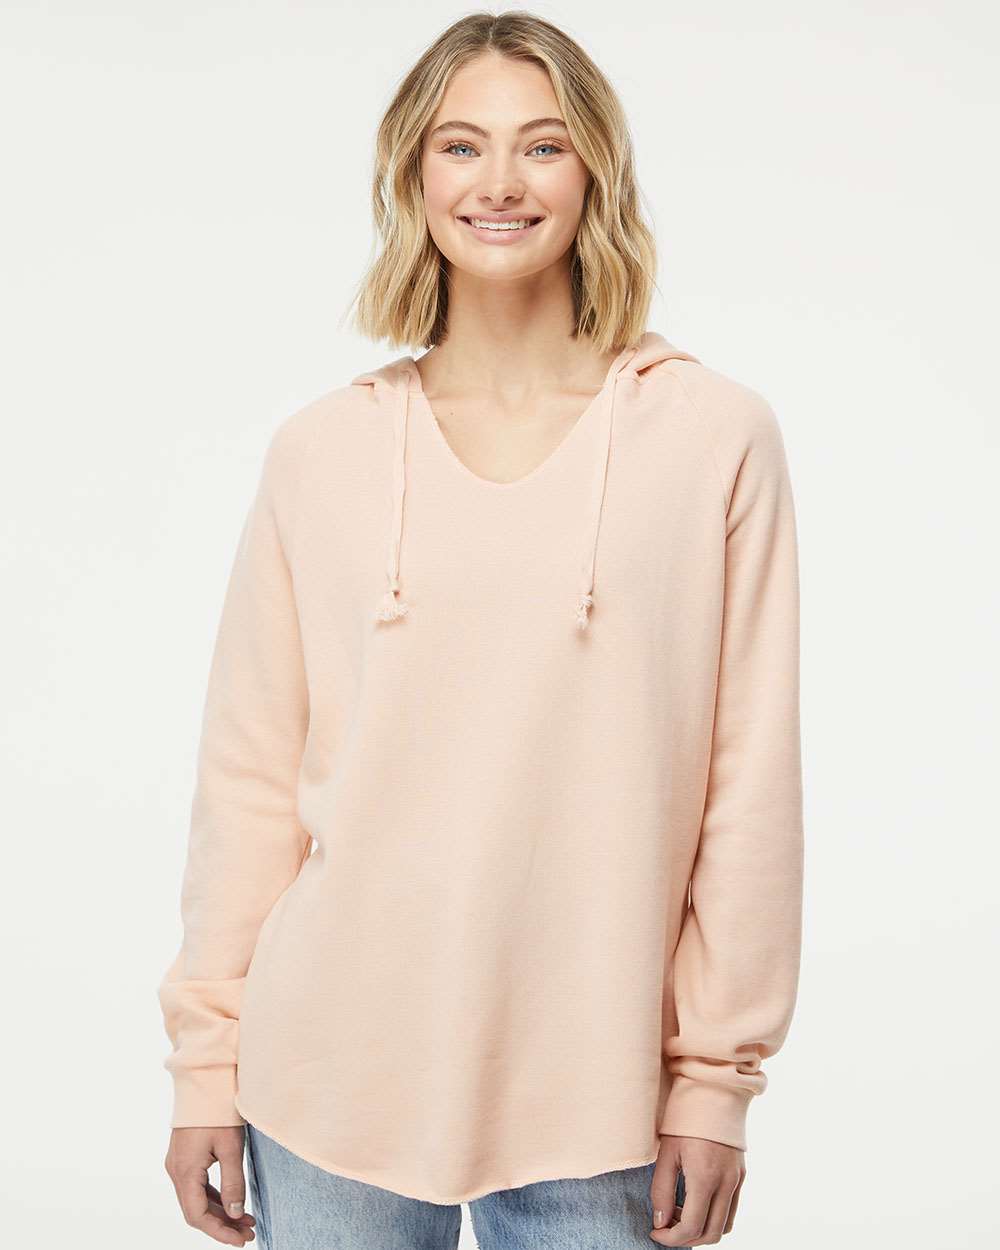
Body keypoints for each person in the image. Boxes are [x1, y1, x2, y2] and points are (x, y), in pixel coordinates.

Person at [157, 11, 804, 1249]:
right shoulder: (322, 451)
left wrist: (713, 1079)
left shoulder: (711, 436)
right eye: (461, 146)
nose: (499, 182)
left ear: (595, 172)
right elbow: (248, 780)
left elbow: (747, 784)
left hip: (599, 1095)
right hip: (327, 1079)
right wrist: (205, 1065)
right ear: (412, 173)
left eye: (541, 146)